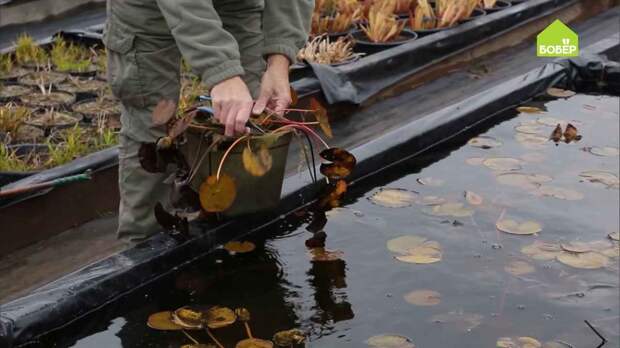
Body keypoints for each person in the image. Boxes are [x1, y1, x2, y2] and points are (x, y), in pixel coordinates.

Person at [104, 0, 313, 242]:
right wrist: (222, 72)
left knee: (250, 120)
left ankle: (239, 238)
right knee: (152, 130)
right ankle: (143, 248)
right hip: (147, 10)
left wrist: (279, 59)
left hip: (236, 6)